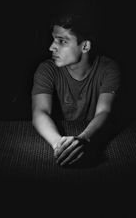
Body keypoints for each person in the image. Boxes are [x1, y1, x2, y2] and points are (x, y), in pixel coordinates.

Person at [31, 13, 121, 167]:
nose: (51, 47)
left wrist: (84, 138)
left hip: (92, 137)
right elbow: (40, 112)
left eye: (62, 41)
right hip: (59, 135)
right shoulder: (46, 69)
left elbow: (105, 112)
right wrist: (59, 144)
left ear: (85, 46)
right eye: (53, 39)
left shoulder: (108, 69)